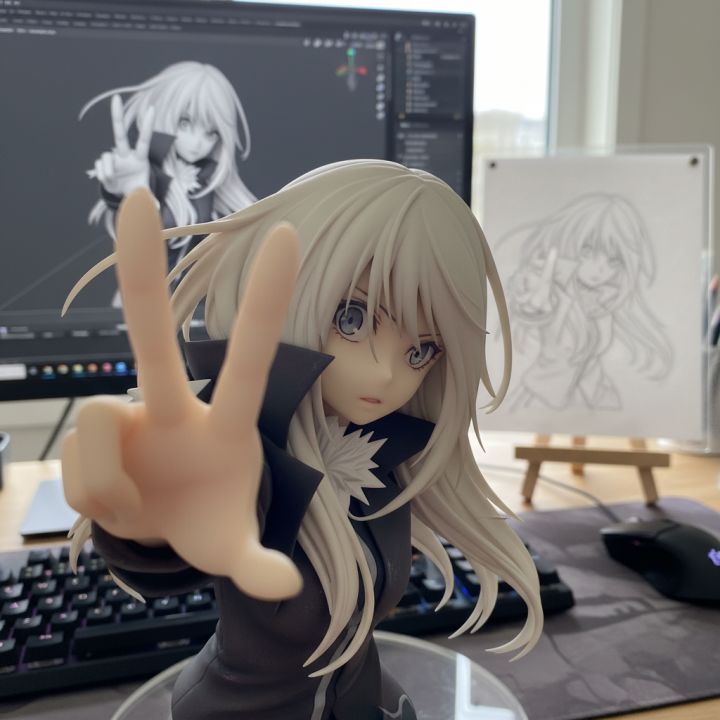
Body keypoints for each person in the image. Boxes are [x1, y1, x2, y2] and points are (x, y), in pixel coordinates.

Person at [62, 160, 543, 720]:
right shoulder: (251, 453)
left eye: (421, 350)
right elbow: (215, 521)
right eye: (353, 317)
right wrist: (150, 522)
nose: (388, 373)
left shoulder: (386, 453)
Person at [498, 194, 673, 411]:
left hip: (590, 401)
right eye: (587, 251)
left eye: (614, 260)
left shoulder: (603, 304)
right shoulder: (553, 291)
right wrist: (533, 305)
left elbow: (589, 362)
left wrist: (604, 399)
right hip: (540, 402)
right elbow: (534, 307)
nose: (599, 270)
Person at [80, 61, 256, 270]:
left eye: (211, 133)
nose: (197, 143)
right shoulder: (153, 177)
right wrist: (134, 197)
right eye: (184, 123)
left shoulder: (210, 183)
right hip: (147, 287)